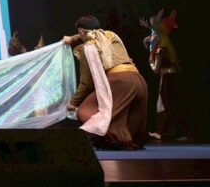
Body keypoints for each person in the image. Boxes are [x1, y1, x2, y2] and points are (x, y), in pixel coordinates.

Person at [63, 15, 148, 150]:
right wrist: (74, 38)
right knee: (123, 112)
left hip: (120, 81)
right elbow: (92, 33)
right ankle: (125, 139)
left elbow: (86, 83)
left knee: (85, 111)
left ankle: (116, 139)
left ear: (82, 32)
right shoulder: (111, 35)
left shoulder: (87, 48)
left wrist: (73, 103)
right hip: (139, 80)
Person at [139, 9, 191, 141]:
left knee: (169, 103)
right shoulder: (161, 40)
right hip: (167, 76)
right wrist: (150, 27)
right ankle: (161, 131)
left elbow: (156, 69)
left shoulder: (160, 48)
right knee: (161, 104)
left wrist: (150, 62)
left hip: (168, 76)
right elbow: (155, 32)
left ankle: (183, 131)